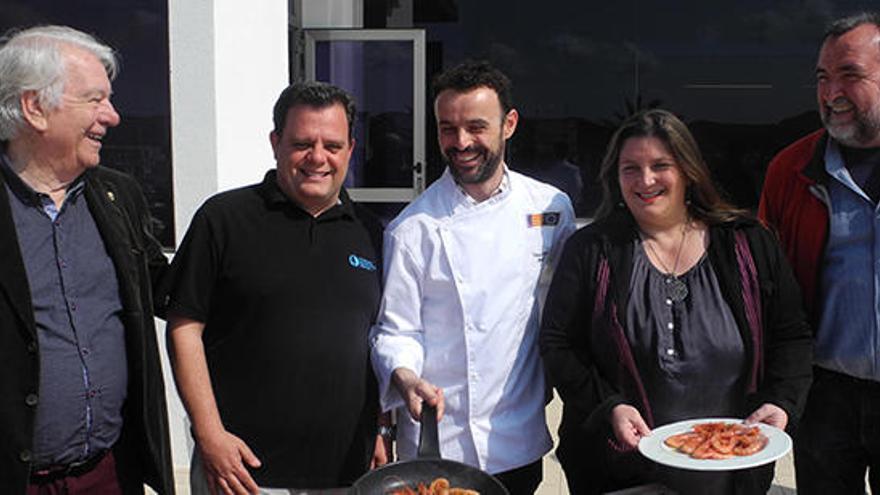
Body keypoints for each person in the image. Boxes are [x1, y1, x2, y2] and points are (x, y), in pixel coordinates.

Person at [541, 109, 812, 494]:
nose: (645, 180)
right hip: (619, 471)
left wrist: (783, 400)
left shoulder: (749, 243)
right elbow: (558, 345)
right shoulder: (591, 250)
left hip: (731, 469)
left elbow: (792, 336)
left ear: (688, 170)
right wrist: (609, 406)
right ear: (615, 178)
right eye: (630, 168)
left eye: (660, 165)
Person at [164, 80, 388, 494]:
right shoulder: (224, 220)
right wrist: (209, 435)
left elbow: (371, 342)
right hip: (241, 474)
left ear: (351, 150)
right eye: (302, 143)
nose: (317, 158)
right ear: (275, 142)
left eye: (332, 146)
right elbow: (184, 328)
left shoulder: (370, 233)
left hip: (345, 474)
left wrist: (375, 429)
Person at [369, 60, 576, 495]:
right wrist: (405, 377)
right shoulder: (413, 228)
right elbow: (397, 329)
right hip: (439, 442)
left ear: (510, 124)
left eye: (476, 127)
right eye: (448, 128)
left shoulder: (551, 208)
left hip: (518, 437)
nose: (461, 142)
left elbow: (563, 312)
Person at [0, 25, 174, 494]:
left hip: (109, 474)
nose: (112, 117)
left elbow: (168, 291)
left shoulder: (118, 196)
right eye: (95, 100)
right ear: (35, 107)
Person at [758, 12, 880, 494]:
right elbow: (767, 289)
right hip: (825, 396)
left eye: (850, 74)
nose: (832, 93)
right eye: (823, 78)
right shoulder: (790, 170)